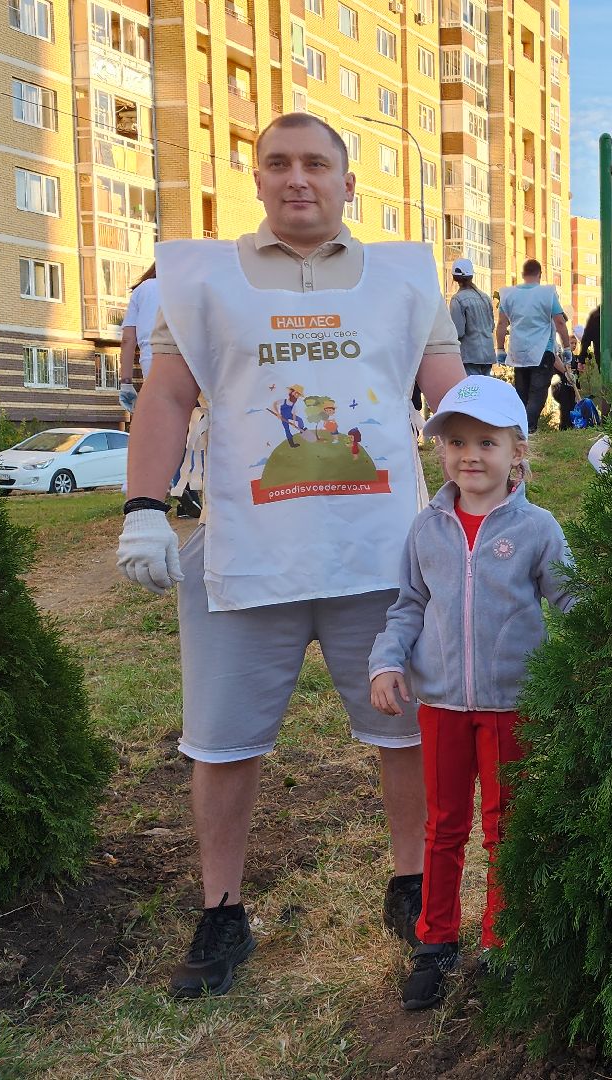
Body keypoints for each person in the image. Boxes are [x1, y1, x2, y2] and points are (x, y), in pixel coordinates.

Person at [115, 112, 470, 1001]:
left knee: (406, 728)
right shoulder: (198, 281)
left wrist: (495, 497)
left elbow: (453, 401)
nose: (298, 179)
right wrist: (144, 510)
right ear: (258, 179)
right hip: (245, 555)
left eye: (318, 164)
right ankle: (222, 909)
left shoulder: (403, 277)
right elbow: (164, 398)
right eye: (279, 164)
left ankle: (413, 882)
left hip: (382, 557)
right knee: (223, 743)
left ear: (350, 183)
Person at [366, 375, 573, 1010]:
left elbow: (569, 598)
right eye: (456, 442)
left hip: (514, 707)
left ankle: (504, 942)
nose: (470, 456)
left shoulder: (537, 529)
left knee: (506, 829)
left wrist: (607, 631)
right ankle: (435, 939)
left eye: (487, 441)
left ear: (519, 452)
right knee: (444, 826)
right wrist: (385, 662)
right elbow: (408, 606)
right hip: (442, 708)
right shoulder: (426, 529)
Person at [493, 258, 575, 433]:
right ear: (540, 274)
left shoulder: (509, 295)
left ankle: (519, 430)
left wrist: (500, 349)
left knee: (521, 394)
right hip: (541, 351)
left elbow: (501, 325)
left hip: (518, 352)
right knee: (537, 393)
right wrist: (567, 348)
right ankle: (527, 429)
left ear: (523, 275)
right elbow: (560, 322)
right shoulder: (547, 294)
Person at [117, 264, 159, 422]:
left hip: (153, 364)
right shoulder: (186, 285)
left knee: (159, 423)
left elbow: (128, 339)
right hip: (189, 361)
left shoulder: (143, 289)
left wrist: (126, 383)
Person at [448, 257, 497, 380]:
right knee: (484, 392)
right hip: (487, 354)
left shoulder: (457, 299)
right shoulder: (485, 297)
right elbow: (491, 326)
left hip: (470, 356)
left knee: (473, 393)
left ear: (455, 278)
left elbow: (458, 332)